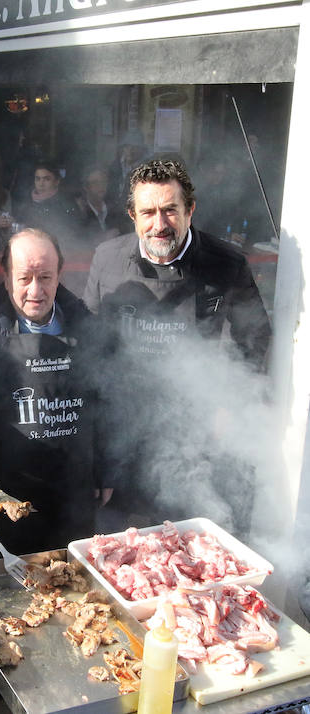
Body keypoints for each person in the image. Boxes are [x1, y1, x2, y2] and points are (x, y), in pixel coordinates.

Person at [83, 159, 271, 529]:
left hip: (194, 420)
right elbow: (91, 339)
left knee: (192, 532)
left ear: (190, 210)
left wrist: (230, 402)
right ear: (132, 216)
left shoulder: (226, 263)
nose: (159, 224)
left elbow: (255, 335)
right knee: (123, 540)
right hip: (125, 418)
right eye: (148, 212)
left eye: (170, 210)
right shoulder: (108, 259)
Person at [0, 229, 104, 558]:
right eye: (24, 278)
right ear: (6, 275)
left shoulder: (89, 330)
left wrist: (107, 468)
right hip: (4, 494)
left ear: (60, 274)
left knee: (79, 589)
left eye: (45, 277)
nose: (36, 291)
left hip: (73, 491)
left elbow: (106, 400)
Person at [16, 160, 79, 252]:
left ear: (57, 181)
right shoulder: (26, 203)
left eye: (46, 179)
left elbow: (75, 233)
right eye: (38, 179)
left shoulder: (67, 203)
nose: (41, 184)